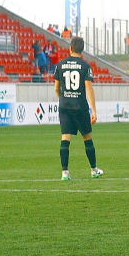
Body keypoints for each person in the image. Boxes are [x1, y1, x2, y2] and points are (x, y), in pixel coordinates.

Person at [53, 37, 103, 180]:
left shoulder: (60, 65)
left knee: (65, 138)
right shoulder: (85, 66)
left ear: (70, 48)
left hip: (64, 106)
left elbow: (56, 88)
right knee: (87, 137)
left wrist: (63, 99)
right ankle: (93, 170)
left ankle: (65, 173)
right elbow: (89, 89)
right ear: (82, 50)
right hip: (80, 106)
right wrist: (94, 110)